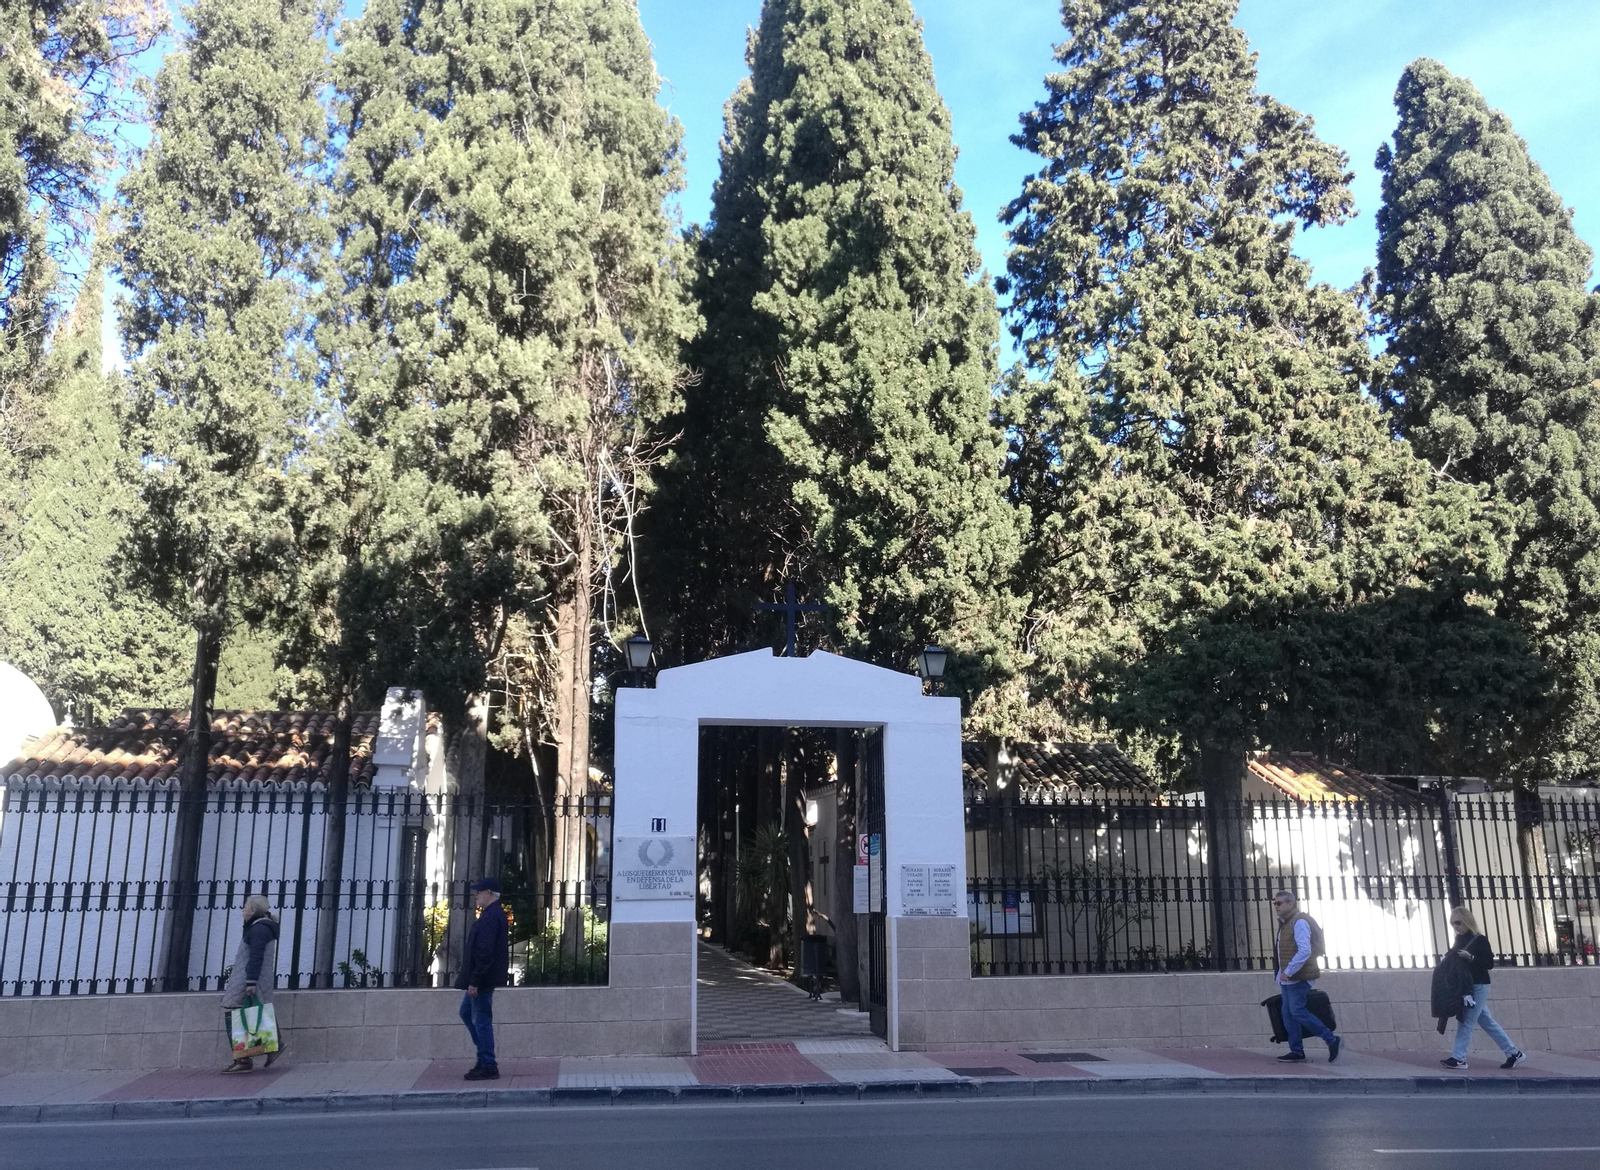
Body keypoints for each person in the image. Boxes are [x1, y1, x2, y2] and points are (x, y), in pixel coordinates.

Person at [1440, 905, 1526, 1070]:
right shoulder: (1459, 940)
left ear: (1466, 920)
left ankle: (1459, 1058)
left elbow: (1488, 964)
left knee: (1466, 1021)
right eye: (1452, 924)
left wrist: (1471, 957)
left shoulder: (1479, 939)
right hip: (1466, 986)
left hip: (1479, 985)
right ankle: (1514, 1053)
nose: (1455, 927)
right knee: (1487, 1022)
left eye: (1458, 922)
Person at [1271, 889, 1341, 1063]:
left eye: (1279, 903)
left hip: (1298, 977)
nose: (1276, 906)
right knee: (1287, 1014)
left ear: (1290, 904)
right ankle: (1296, 1051)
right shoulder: (1285, 923)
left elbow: (1304, 950)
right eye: (1274, 903)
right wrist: (1282, 974)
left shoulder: (1299, 922)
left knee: (1297, 1011)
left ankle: (1331, 1039)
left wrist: (1288, 972)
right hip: (1288, 978)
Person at [220, 895, 284, 1074]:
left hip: (248, 977)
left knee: (234, 1011)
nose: (243, 910)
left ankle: (243, 1059)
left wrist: (250, 981)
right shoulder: (259, 927)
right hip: (249, 975)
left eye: (245, 907)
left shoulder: (259, 929)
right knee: (252, 1011)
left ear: (253, 910)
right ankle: (271, 1047)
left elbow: (256, 956)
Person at [455, 877, 510, 1080]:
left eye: (478, 892)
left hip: (483, 979)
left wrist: (475, 981)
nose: (476, 895)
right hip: (482, 977)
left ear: (488, 892)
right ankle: (484, 1056)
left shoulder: (490, 917)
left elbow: (485, 952)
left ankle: (488, 1063)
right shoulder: (492, 914)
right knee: (467, 1013)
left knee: (481, 1020)